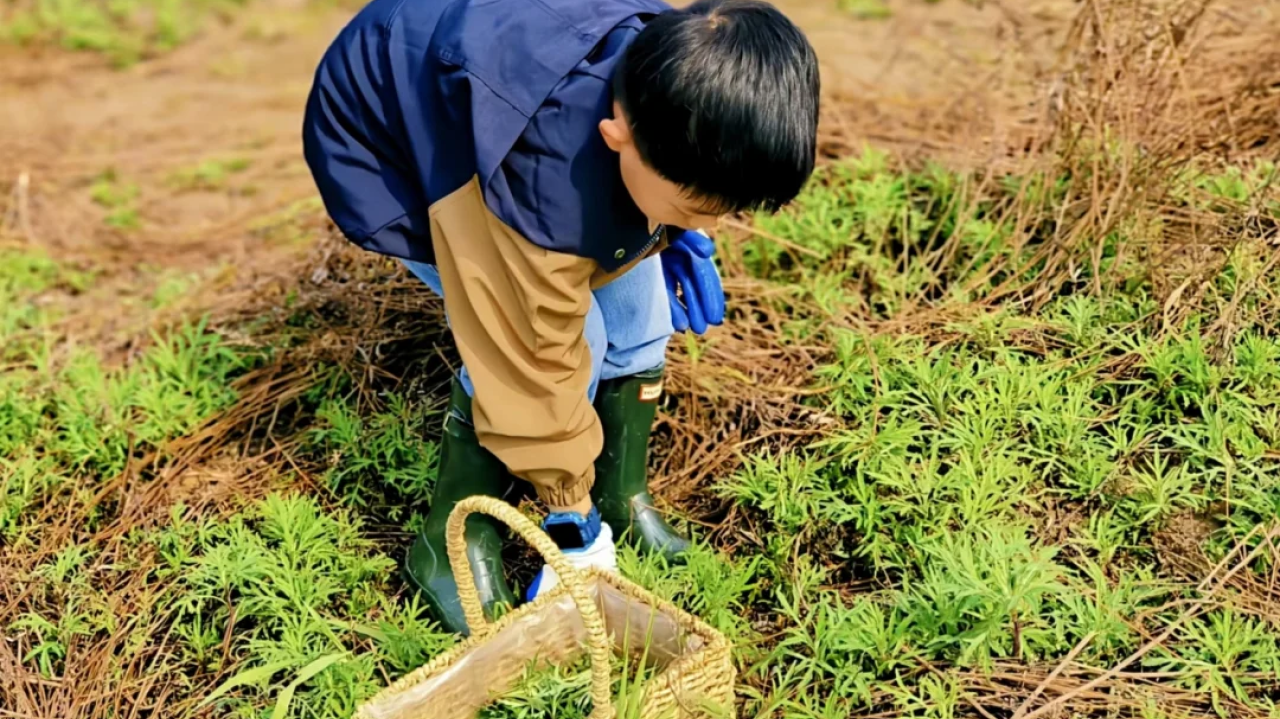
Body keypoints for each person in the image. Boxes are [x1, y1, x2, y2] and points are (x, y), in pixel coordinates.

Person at [302, 0, 819, 634]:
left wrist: (676, 226)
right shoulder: (538, 186)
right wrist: (570, 518)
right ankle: (450, 543)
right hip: (396, 129)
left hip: (509, 75)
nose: (713, 224)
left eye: (728, 209)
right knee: (556, 345)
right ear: (617, 137)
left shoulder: (677, 67)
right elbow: (532, 357)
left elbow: (658, 197)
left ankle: (620, 497)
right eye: (696, 204)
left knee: (640, 323)